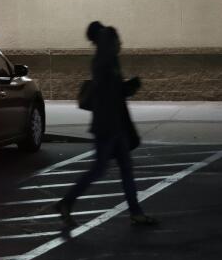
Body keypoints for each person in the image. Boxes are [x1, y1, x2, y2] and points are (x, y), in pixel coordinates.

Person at [57, 22, 157, 227]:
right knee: (99, 169)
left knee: (123, 169)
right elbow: (112, 93)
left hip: (114, 126)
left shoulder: (108, 62)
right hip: (107, 127)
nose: (121, 43)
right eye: (117, 40)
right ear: (107, 41)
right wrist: (129, 86)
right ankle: (67, 202)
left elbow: (114, 92)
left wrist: (126, 87)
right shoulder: (105, 62)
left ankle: (136, 212)